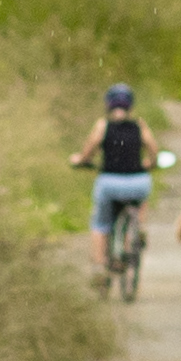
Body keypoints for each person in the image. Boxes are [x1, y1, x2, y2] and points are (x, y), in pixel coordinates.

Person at [72, 85, 162, 266]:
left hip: (110, 182)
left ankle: (99, 266)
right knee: (141, 199)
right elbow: (153, 149)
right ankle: (137, 231)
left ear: (108, 105)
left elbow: (90, 149)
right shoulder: (139, 126)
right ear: (130, 106)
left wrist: (81, 159)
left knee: (100, 225)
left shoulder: (103, 126)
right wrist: (150, 163)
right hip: (138, 181)